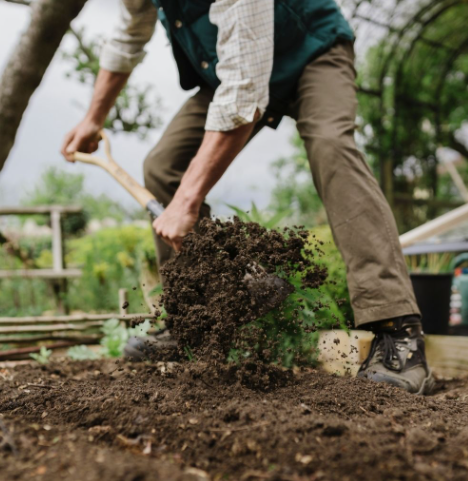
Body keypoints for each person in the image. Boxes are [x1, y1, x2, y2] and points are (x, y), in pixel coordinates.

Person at [61, 0, 434, 394]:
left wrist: (187, 202)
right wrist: (93, 118)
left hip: (310, 50)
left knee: (331, 148)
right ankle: (194, 326)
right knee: (162, 167)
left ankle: (398, 334)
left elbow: (243, 96)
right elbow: (127, 36)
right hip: (236, 67)